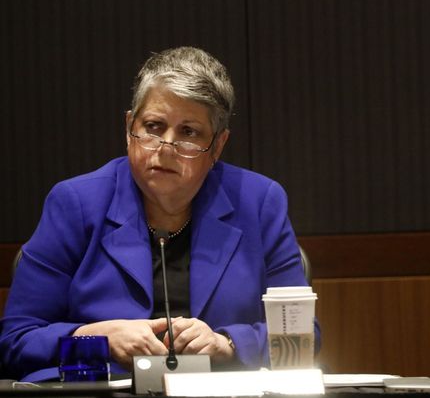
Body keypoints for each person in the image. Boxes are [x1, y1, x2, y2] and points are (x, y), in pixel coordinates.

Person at [0, 47, 319, 381]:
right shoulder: (74, 203)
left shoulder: (259, 203)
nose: (166, 147)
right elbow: (16, 340)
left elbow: (300, 338)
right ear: (129, 128)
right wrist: (98, 341)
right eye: (153, 126)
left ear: (218, 145)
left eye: (189, 132)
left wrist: (227, 344)